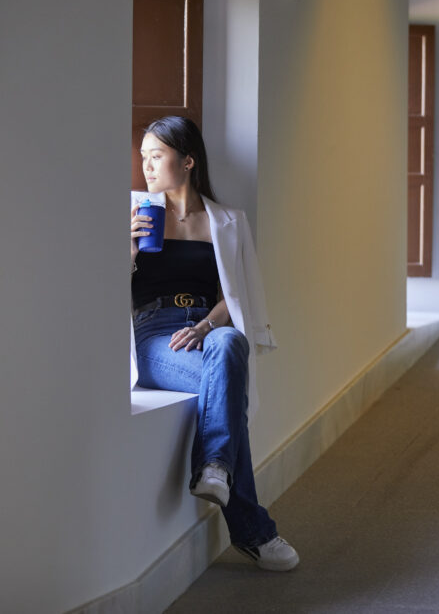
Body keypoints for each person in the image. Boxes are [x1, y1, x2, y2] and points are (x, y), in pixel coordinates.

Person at [129, 116, 299, 572]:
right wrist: (123, 252)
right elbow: (101, 293)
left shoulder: (226, 220)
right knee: (228, 389)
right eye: (143, 156)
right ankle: (249, 524)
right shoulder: (133, 212)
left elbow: (233, 297)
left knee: (229, 343)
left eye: (156, 156)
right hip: (155, 335)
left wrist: (204, 326)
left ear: (187, 161)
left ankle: (215, 472)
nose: (146, 166)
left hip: (205, 329)